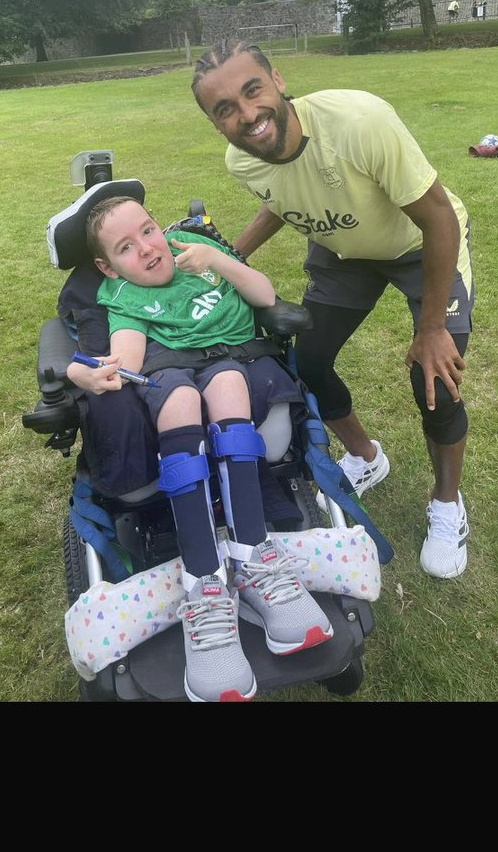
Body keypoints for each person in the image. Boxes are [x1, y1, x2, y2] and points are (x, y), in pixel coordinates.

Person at [191, 39, 474, 581]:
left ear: (277, 78)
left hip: (420, 243)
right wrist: (232, 257)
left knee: (433, 376)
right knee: (310, 361)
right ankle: (367, 457)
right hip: (346, 253)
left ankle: (447, 504)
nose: (247, 115)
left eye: (253, 91)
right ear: (214, 122)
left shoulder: (358, 121)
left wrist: (433, 326)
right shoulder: (241, 160)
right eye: (224, 109)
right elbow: (280, 198)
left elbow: (439, 218)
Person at [67, 195, 333, 703]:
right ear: (107, 265)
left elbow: (264, 293)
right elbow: (125, 360)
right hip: (169, 370)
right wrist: (86, 370)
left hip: (233, 359)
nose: (147, 248)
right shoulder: (124, 296)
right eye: (127, 247)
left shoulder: (193, 248)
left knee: (230, 383)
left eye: (148, 231)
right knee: (182, 397)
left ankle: (254, 557)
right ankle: (203, 583)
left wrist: (216, 258)